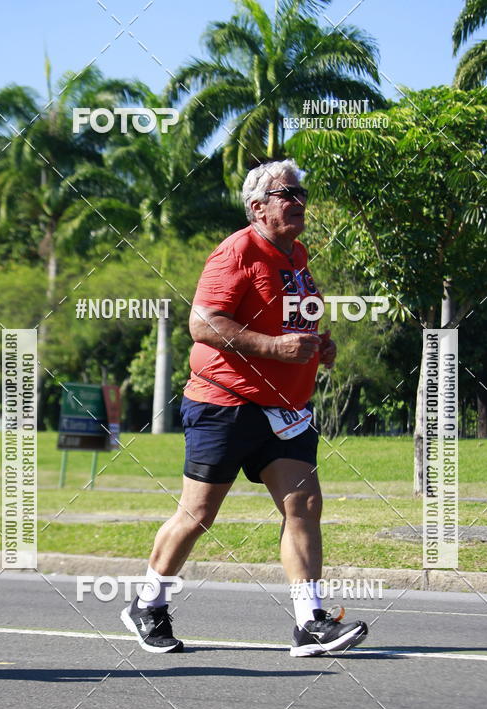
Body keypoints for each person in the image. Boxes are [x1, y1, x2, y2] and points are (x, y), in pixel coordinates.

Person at [121, 159, 368, 656]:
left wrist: (322, 345)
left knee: (303, 504)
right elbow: (204, 324)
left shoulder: (296, 254)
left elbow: (295, 319)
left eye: (300, 193)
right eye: (287, 195)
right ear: (257, 208)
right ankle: (147, 604)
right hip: (225, 403)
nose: (298, 202)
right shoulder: (236, 252)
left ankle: (310, 622)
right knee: (198, 513)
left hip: (286, 410)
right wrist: (276, 349)